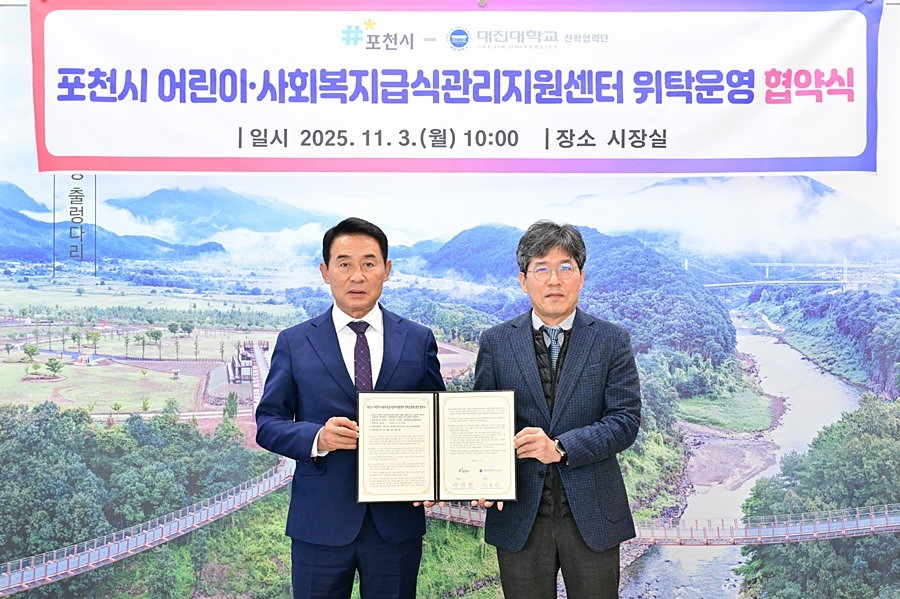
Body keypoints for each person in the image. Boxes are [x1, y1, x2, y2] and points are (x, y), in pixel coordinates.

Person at [256, 217, 445, 599]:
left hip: (396, 523)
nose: (357, 275)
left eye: (368, 263)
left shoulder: (417, 339)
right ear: (325, 271)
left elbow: (439, 421)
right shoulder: (294, 342)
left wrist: (438, 477)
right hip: (319, 524)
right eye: (344, 263)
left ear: (386, 270)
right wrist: (317, 437)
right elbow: (268, 423)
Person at [473, 220, 641, 599]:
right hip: (519, 515)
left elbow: (625, 421)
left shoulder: (611, 340)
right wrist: (481, 476)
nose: (554, 280)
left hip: (593, 516)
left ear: (581, 276)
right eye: (541, 269)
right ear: (523, 280)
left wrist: (560, 448)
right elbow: (481, 424)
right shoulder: (496, 342)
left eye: (565, 267)